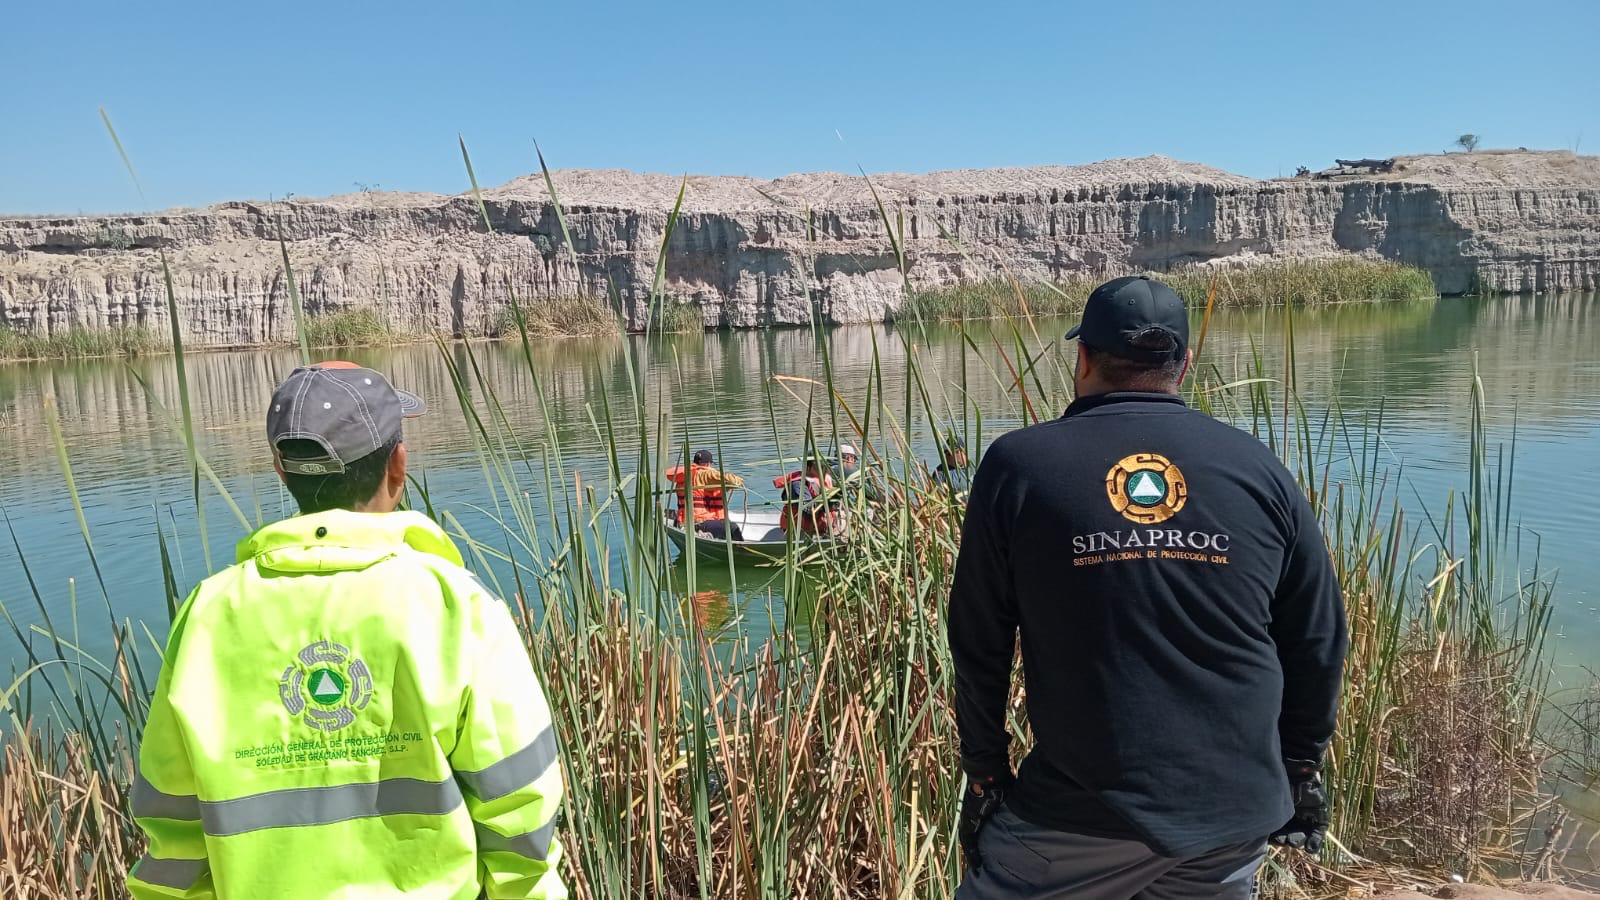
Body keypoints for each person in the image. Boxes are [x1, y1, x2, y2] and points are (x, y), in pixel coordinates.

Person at [948, 276, 1348, 899]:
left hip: (1074, 819)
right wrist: (1300, 766)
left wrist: (985, 779)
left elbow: (977, 644)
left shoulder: (1018, 466)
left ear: (1081, 360)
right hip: (1228, 819)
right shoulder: (1257, 466)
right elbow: (1319, 637)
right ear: (1185, 364)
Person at [128, 361, 566, 900]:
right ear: (399, 466)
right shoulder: (455, 606)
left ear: (281, 471)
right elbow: (521, 818)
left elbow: (172, 835)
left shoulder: (205, 616)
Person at [666, 449, 746, 540]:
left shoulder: (687, 475)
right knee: (732, 528)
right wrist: (739, 481)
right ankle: (742, 549)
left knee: (724, 525)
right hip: (700, 522)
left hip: (687, 521)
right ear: (708, 464)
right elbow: (731, 481)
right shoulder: (704, 475)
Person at [774, 455, 840, 537]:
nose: (823, 471)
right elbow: (807, 508)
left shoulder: (824, 480)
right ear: (807, 468)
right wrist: (831, 502)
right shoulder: (798, 485)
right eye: (818, 468)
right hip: (800, 532)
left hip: (823, 527)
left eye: (825, 468)